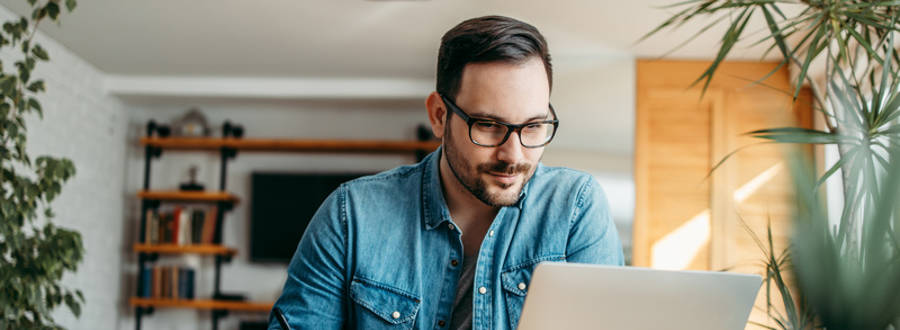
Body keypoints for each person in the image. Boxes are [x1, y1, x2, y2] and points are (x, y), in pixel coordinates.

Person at [269, 15, 623, 330]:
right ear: (439, 116)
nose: (513, 155)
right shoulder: (351, 215)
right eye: (488, 125)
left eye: (533, 126)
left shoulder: (576, 208)